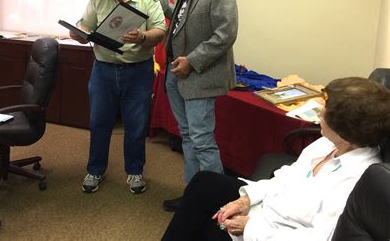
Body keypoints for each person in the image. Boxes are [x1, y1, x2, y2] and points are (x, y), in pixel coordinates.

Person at [162, 77, 390, 241]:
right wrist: (245, 201)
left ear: (344, 127)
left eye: (325, 109)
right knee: (205, 182)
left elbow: (319, 237)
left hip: (276, 230)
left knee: (208, 228)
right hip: (268, 210)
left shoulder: (357, 180)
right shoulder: (326, 144)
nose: (318, 113)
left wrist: (250, 228)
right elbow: (285, 177)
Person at [69, 0, 167, 194]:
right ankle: (95, 170)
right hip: (103, 70)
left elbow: (160, 31)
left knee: (136, 125)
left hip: (138, 70)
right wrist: (78, 32)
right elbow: (85, 25)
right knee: (99, 123)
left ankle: (134, 172)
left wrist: (143, 37)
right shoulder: (98, 0)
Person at [161, 0, 239, 211]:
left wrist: (192, 61)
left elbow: (225, 34)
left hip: (198, 75)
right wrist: (158, 1)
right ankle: (195, 194)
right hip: (176, 75)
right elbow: (182, 21)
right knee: (187, 136)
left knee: (202, 141)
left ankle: (218, 203)